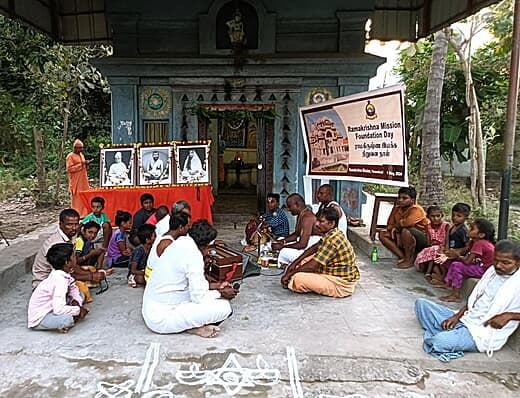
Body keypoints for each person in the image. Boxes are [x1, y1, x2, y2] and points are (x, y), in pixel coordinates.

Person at [415, 239, 520, 362]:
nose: (498, 265)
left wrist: (509, 316)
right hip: (466, 319)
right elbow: (474, 300)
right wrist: (457, 316)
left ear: (518, 263)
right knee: (421, 304)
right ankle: (452, 334)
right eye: (495, 260)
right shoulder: (492, 272)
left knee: (438, 342)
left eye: (505, 263)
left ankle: (449, 336)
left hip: (481, 332)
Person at [142, 220, 237, 337]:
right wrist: (221, 293)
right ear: (205, 245)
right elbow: (198, 297)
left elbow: (187, 286)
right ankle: (193, 328)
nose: (209, 252)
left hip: (153, 308)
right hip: (162, 319)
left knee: (209, 298)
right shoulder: (194, 255)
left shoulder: (181, 242)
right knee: (225, 308)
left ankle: (193, 326)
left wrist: (216, 287)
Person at [281, 207, 360, 298]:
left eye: (321, 222)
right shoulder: (332, 233)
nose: (317, 224)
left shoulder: (332, 240)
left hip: (341, 284)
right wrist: (294, 263)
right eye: (317, 221)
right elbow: (314, 248)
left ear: (331, 224)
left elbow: (312, 266)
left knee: (297, 279)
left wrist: (290, 274)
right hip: (335, 273)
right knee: (304, 261)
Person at [32, 209, 104, 289]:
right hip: (45, 284)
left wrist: (91, 274)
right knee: (79, 293)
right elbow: (64, 272)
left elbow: (73, 265)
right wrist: (91, 276)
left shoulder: (72, 237)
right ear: (60, 224)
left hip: (60, 275)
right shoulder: (56, 243)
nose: (74, 228)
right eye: (69, 225)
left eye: (76, 224)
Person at [28, 243, 88, 332]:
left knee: (80, 295)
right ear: (67, 263)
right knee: (67, 320)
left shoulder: (62, 273)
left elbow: (73, 288)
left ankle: (72, 314)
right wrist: (78, 310)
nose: (76, 258)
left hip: (53, 305)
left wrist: (77, 302)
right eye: (74, 257)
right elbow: (58, 310)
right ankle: (65, 321)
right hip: (41, 317)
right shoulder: (60, 281)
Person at [435, 218, 496, 303]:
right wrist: (449, 253)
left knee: (456, 266)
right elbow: (464, 251)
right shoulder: (473, 241)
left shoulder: (481, 243)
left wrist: (457, 256)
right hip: (477, 265)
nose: (468, 229)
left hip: (484, 270)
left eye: (472, 228)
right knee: (448, 260)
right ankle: (448, 283)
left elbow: (467, 261)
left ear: (481, 234)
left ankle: (456, 295)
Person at [378, 187, 430, 269]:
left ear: (412, 200)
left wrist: (396, 228)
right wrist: (395, 229)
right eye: (399, 197)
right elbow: (389, 225)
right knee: (382, 233)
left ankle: (409, 261)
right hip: (402, 234)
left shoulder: (417, 209)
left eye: (404, 198)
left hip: (422, 238)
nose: (400, 200)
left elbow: (407, 223)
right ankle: (403, 257)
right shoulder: (397, 209)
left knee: (406, 231)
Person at [272, 193, 320, 268]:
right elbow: (296, 234)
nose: (288, 209)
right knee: (280, 239)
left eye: (290, 206)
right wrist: (283, 241)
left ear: (297, 205)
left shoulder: (308, 217)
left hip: (310, 251)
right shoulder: (301, 215)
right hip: (304, 245)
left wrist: (282, 246)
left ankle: (288, 264)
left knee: (283, 252)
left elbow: (302, 244)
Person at [145, 212, 190, 282]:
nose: (189, 228)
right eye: (187, 226)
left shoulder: (164, 235)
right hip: (154, 278)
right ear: (181, 228)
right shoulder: (167, 243)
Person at [414, 205, 450, 277]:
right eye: (432, 216)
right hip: (432, 247)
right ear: (428, 217)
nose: (435, 218)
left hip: (442, 247)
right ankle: (428, 270)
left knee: (435, 249)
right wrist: (432, 243)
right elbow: (428, 242)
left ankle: (429, 272)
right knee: (428, 252)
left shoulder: (446, 225)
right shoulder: (428, 226)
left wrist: (446, 250)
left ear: (442, 216)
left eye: (438, 216)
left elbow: (447, 240)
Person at [65, 139, 91, 218]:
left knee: (84, 195)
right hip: (76, 181)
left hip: (83, 180)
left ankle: (85, 213)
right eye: (79, 148)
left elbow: (84, 167)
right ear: (74, 148)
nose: (81, 149)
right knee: (77, 198)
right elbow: (69, 169)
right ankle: (77, 213)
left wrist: (86, 164)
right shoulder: (70, 156)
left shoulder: (81, 155)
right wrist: (81, 164)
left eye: (82, 148)